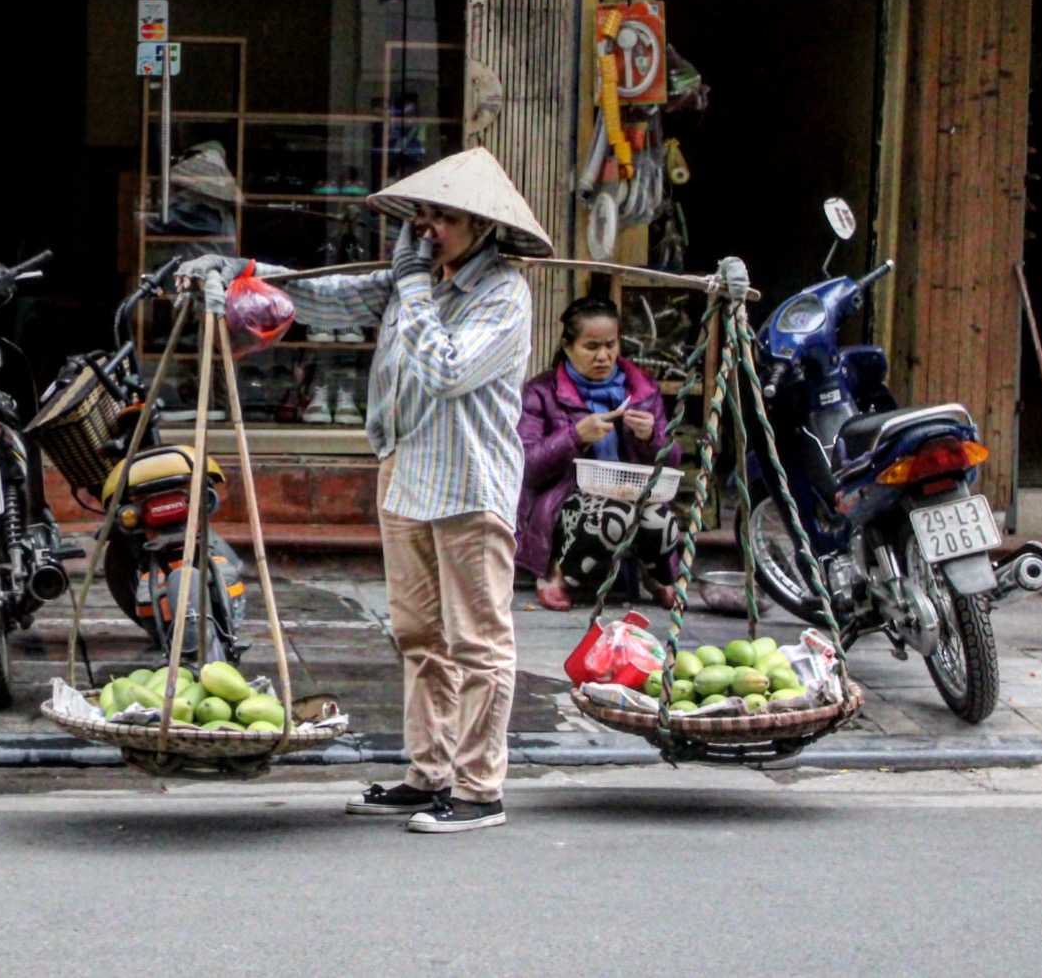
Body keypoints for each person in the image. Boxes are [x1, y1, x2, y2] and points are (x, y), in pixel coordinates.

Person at [182, 147, 547, 834]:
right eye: (425, 215)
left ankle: (478, 788)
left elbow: (446, 368)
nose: (428, 228)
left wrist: (409, 287)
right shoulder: (421, 279)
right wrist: (242, 273)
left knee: (478, 641)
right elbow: (331, 293)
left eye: (443, 218)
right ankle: (428, 773)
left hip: (469, 485)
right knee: (418, 635)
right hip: (408, 474)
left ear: (481, 227)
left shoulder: (503, 295)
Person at [517, 297, 682, 613]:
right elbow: (525, 468)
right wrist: (574, 437)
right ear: (567, 346)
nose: (603, 356)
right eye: (591, 346)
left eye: (610, 344)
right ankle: (556, 573)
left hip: (631, 491)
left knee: (659, 518)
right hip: (566, 499)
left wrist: (651, 438)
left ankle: (655, 575)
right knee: (613, 516)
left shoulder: (642, 390)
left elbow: (672, 460)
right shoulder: (540, 392)